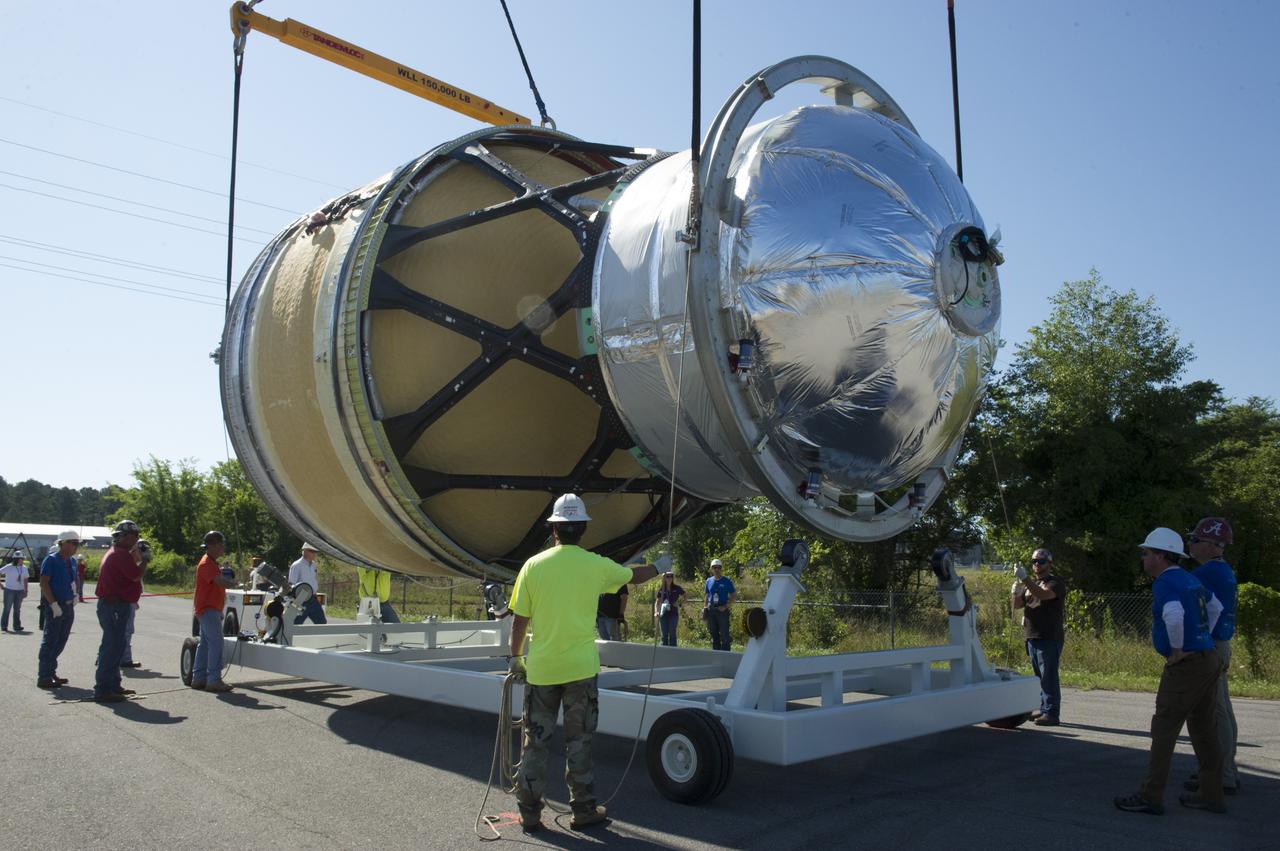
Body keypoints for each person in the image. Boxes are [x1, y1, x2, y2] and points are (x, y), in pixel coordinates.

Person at [507, 493, 665, 833]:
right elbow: (632, 577)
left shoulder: (533, 566)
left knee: (535, 742)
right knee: (578, 742)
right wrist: (659, 568)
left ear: (554, 530)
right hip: (580, 670)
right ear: (582, 530)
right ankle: (583, 810)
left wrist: (516, 657)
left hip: (542, 671)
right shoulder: (595, 565)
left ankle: (530, 814)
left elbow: (520, 619)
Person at [1115, 527, 1225, 815]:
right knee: (1204, 730)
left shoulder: (1165, 582)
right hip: (1208, 659)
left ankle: (1151, 796)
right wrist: (1204, 638)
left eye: (1147, 553)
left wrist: (1177, 650)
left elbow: (1173, 614)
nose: (1144, 558)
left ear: (1161, 556)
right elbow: (1216, 607)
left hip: (1186, 666)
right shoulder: (1189, 579)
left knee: (1164, 729)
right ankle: (1212, 796)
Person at [1185, 517, 1241, 796]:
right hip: (1220, 644)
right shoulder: (1223, 572)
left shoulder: (1207, 574)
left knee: (1215, 711)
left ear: (1211, 545)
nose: (1191, 544)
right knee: (1223, 708)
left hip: (1210, 646)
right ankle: (1226, 768)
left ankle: (1222, 773)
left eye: (1195, 539)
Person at [1011, 548, 1067, 726]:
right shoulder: (1032, 584)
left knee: (1048, 675)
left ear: (1049, 564)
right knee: (1039, 676)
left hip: (1049, 635)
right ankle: (1043, 709)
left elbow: (1044, 595)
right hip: (1031, 635)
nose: (1037, 564)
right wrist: (1016, 591)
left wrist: (1026, 579)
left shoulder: (1054, 582)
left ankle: (1052, 713)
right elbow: (1017, 605)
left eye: (1041, 561)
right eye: (1034, 561)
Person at [93, 520, 145, 703]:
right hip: (114, 605)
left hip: (115, 605)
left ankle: (113, 684)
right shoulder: (120, 555)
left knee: (117, 645)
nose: (136, 539)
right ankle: (103, 688)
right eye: (133, 536)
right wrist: (145, 561)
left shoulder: (118, 553)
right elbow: (135, 575)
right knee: (112, 646)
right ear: (123, 536)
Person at [192, 531, 235, 692]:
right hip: (208, 609)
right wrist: (233, 583)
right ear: (213, 545)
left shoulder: (211, 563)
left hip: (210, 609)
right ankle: (213, 679)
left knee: (205, 644)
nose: (223, 547)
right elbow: (219, 582)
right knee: (217, 643)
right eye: (221, 544)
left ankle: (199, 678)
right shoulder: (206, 564)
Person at [37, 531, 81, 690]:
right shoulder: (51, 560)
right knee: (51, 640)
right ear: (62, 543)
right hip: (56, 605)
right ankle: (44, 676)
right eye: (73, 542)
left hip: (69, 605)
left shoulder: (73, 561)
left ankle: (50, 671)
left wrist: (76, 594)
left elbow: (74, 579)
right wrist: (53, 604)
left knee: (61, 640)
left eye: (77, 543)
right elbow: (44, 583)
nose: (76, 546)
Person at [120, 540, 151, 669]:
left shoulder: (133, 563)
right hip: (124, 603)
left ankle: (106, 657)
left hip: (130, 602)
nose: (144, 554)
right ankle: (125, 659)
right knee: (125, 631)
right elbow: (135, 577)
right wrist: (144, 561)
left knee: (125, 631)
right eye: (141, 551)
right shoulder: (129, 563)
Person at [288, 543, 327, 625]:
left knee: (322, 623)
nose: (314, 554)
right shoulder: (296, 565)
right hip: (300, 600)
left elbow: (313, 580)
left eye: (315, 552)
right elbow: (292, 584)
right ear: (305, 551)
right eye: (312, 551)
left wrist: (315, 595)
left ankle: (321, 638)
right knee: (295, 624)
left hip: (313, 599)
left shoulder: (314, 565)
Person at [703, 558, 736, 651]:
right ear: (711, 569)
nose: (716, 569)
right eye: (714, 567)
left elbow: (734, 595)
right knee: (713, 634)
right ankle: (716, 654)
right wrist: (705, 608)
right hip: (711, 609)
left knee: (725, 634)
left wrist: (726, 606)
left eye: (718, 567)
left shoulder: (727, 581)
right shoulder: (708, 581)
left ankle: (726, 656)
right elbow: (706, 595)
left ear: (721, 569)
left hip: (723, 610)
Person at [653, 571, 685, 647]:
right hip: (663, 614)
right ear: (664, 578)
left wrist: (679, 603)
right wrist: (656, 612)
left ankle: (673, 653)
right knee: (664, 635)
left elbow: (686, 595)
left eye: (671, 576)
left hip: (673, 615)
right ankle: (664, 654)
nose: (669, 578)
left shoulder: (677, 588)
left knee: (672, 634)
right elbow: (657, 602)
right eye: (667, 576)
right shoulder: (661, 589)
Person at [2, 552, 29, 633]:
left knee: (17, 609)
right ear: (16, 559)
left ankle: (17, 626)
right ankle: (4, 626)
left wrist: (26, 590)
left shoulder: (24, 568)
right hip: (9, 590)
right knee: (7, 609)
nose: (23, 560)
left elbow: (25, 579)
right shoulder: (9, 567)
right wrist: (0, 584)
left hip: (20, 591)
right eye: (21, 559)